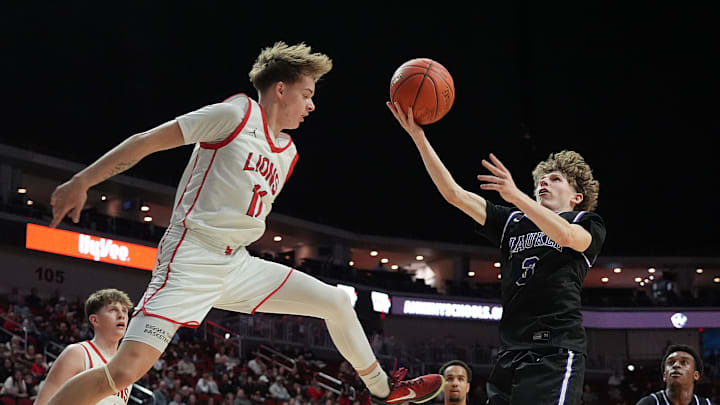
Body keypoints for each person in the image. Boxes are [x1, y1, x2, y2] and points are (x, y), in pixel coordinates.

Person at [46, 42, 443, 405]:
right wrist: (82, 181)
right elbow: (146, 140)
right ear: (280, 89)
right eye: (307, 94)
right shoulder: (234, 114)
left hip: (237, 264)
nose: (312, 106)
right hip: (190, 257)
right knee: (122, 374)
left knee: (337, 301)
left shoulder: (288, 154)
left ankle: (384, 390)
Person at [387, 102, 606, 405]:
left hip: (554, 350)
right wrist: (418, 136)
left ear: (577, 197)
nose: (544, 182)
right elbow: (454, 194)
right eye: (541, 179)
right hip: (510, 352)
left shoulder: (586, 222)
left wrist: (515, 195)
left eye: (555, 179)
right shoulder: (513, 222)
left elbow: (566, 236)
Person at [34, 288, 133, 405]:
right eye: (113, 310)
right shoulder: (77, 354)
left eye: (124, 311)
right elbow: (43, 402)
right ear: (95, 320)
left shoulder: (125, 365)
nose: (121, 315)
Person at [635, 344, 713, 405]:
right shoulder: (649, 402)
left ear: (696, 375)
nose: (676, 365)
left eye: (684, 362)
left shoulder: (705, 403)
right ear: (665, 375)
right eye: (671, 362)